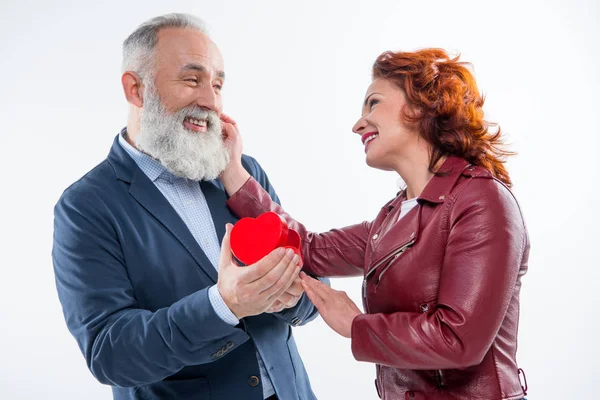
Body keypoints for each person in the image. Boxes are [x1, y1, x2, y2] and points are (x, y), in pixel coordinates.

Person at [220, 48, 529, 400]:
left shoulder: (482, 200)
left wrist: (355, 325)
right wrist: (233, 173)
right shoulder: (392, 216)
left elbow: (459, 340)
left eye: (373, 103)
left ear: (420, 106)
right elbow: (310, 249)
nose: (358, 123)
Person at [52, 13, 327, 400]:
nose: (210, 101)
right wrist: (223, 305)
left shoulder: (241, 173)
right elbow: (111, 354)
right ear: (136, 90)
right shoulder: (85, 207)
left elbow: (317, 290)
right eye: (192, 80)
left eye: (217, 84)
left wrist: (289, 292)